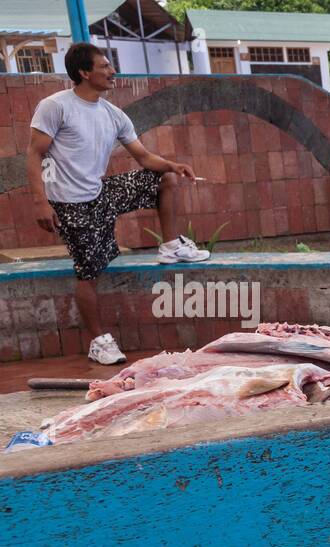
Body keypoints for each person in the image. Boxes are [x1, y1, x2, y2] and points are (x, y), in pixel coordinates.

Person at [28, 43, 208, 365]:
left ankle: (169, 246)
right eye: (105, 66)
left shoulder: (113, 114)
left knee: (163, 179)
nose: (113, 72)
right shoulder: (56, 107)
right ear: (84, 72)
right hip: (71, 204)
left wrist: (173, 165)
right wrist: (41, 203)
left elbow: (143, 157)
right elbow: (34, 153)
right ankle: (99, 341)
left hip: (100, 193)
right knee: (89, 271)